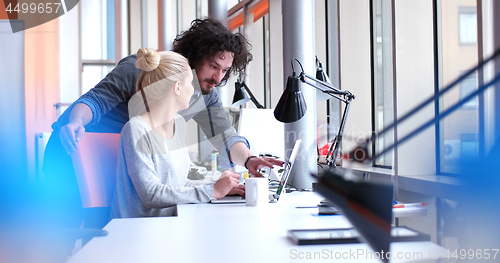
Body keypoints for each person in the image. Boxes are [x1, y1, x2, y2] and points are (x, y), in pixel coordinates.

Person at [42, 18, 282, 228]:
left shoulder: (204, 93)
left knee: (103, 228)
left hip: (122, 161)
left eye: (225, 70)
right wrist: (76, 123)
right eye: (213, 66)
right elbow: (94, 101)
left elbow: (225, 134)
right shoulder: (143, 71)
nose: (218, 78)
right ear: (193, 58)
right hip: (73, 146)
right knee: (66, 231)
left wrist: (249, 159)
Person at [111, 49, 239, 218]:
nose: (194, 90)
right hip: (138, 229)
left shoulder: (179, 124)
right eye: (190, 83)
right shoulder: (135, 129)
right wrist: (212, 191)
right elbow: (151, 194)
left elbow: (180, 182)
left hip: (170, 222)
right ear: (177, 87)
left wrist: (218, 186)